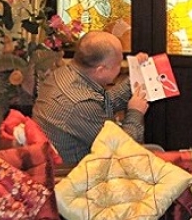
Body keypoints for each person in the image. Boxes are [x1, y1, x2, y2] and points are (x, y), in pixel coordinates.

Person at [34, 31, 149, 166]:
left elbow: (103, 103)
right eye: (118, 63)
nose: (122, 67)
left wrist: (136, 76)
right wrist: (135, 112)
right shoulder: (81, 104)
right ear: (100, 70)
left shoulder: (61, 74)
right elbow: (122, 151)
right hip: (73, 171)